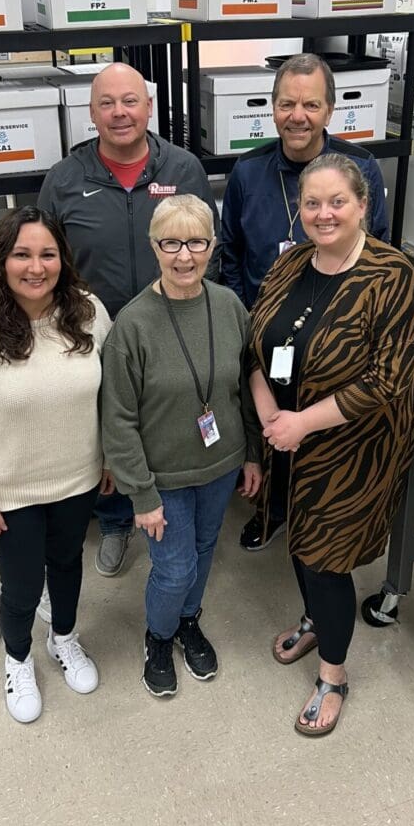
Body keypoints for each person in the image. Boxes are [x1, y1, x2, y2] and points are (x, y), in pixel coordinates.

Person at [248, 153, 414, 736]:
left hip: (354, 447)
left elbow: (385, 380)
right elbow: (258, 341)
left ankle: (333, 674)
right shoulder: (293, 263)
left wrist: (302, 423)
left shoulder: (393, 278)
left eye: (337, 202)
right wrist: (270, 410)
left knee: (323, 557)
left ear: (363, 206)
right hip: (287, 434)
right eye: (311, 203)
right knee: (299, 540)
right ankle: (316, 620)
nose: (324, 214)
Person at [38, 62, 221, 579]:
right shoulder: (66, 179)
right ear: (91, 113)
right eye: (107, 103)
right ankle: (116, 519)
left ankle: (174, 505)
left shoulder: (182, 168)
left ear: (149, 107)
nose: (120, 112)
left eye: (131, 100)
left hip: (172, 324)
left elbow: (210, 242)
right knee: (107, 425)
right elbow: (42, 257)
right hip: (92, 333)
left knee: (168, 416)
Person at [0, 207, 112, 723]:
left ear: (63, 259)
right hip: (7, 492)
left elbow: (113, 396)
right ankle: (17, 661)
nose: (36, 267)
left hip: (77, 480)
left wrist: (110, 458)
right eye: (22, 254)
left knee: (67, 566)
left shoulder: (89, 312)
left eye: (48, 254)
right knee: (22, 584)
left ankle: (64, 639)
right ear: (0, 261)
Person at [221, 52, 391, 552]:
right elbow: (229, 249)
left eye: (311, 104)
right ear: (272, 108)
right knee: (270, 422)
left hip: (334, 336)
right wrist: (244, 316)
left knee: (320, 424)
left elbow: (379, 246)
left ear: (330, 110)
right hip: (266, 329)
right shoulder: (248, 172)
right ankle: (270, 508)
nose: (299, 116)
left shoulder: (359, 169)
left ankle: (318, 516)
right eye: (287, 103)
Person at [101, 195, 261, 697]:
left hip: (220, 465)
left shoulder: (230, 305)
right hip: (162, 477)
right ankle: (159, 636)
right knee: (173, 568)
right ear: (154, 247)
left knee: (204, 550)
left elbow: (245, 387)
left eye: (196, 242)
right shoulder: (133, 325)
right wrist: (141, 496)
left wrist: (253, 453)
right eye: (171, 243)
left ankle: (189, 622)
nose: (184, 256)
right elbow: (119, 419)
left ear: (213, 246)